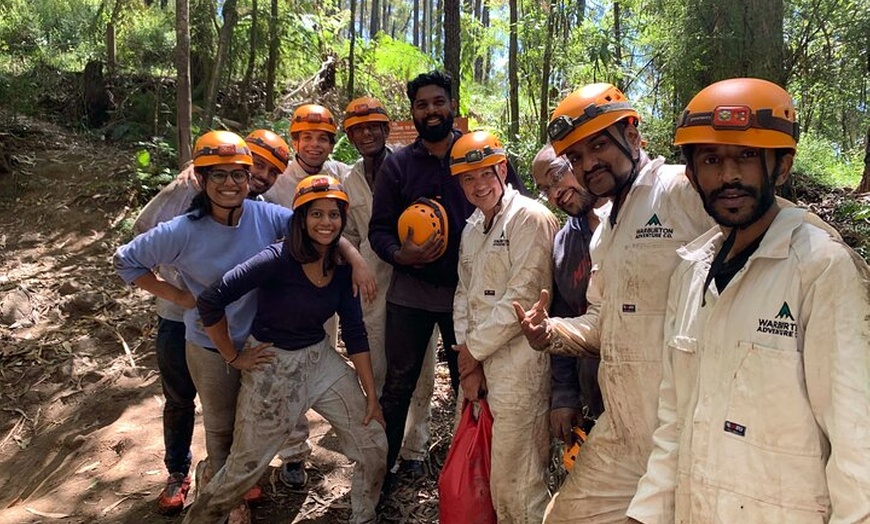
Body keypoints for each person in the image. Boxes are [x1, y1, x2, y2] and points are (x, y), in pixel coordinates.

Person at [626, 78, 870, 523]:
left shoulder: (821, 270)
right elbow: (674, 422)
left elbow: (858, 444)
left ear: (781, 166)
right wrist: (645, 514)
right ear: (691, 173)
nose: (729, 176)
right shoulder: (691, 274)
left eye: (747, 157)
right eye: (712, 159)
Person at [512, 83, 714, 523]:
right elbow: (606, 321)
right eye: (577, 157)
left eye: (599, 145)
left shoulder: (680, 189)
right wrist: (552, 333)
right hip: (622, 427)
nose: (589, 164)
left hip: (685, 432)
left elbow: (759, 227)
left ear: (633, 134)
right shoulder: (606, 229)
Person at [182, 175, 388, 524]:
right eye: (316, 214)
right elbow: (211, 300)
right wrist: (233, 355)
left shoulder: (340, 268)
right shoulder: (277, 258)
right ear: (302, 218)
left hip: (319, 358)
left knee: (373, 443)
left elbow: (354, 332)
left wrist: (370, 394)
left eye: (334, 215)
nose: (326, 223)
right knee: (243, 472)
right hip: (272, 363)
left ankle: (363, 515)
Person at [116, 130, 293, 522]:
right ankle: (209, 489)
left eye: (239, 174)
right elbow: (128, 258)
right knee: (205, 416)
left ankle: (230, 479)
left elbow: (312, 229)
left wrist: (355, 259)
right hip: (199, 337)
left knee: (248, 417)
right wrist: (177, 295)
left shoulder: (265, 215)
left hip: (252, 337)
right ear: (201, 178)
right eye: (219, 175)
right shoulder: (183, 225)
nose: (231, 183)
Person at [369, 70, 528, 481]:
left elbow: (516, 205)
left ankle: (474, 475)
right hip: (411, 293)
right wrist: (400, 254)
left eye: (438, 101)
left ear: (452, 105)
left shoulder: (480, 153)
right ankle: (379, 473)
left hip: (474, 295)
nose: (431, 110)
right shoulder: (399, 166)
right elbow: (378, 230)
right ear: (413, 112)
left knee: (471, 383)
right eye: (422, 105)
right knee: (398, 386)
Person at [451, 131, 558, 521]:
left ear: (501, 168)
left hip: (520, 367)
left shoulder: (529, 217)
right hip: (479, 363)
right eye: (468, 178)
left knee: (519, 481)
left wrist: (471, 354)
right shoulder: (472, 226)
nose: (478, 185)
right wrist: (469, 358)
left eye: (485, 174)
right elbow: (463, 293)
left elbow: (525, 295)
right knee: (488, 476)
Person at [342, 96, 436, 478]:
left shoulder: (409, 166)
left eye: (373, 127)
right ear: (350, 136)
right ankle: (384, 448)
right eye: (358, 129)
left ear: (385, 129)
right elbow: (344, 233)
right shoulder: (348, 178)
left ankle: (415, 445)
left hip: (417, 281)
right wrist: (357, 260)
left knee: (422, 369)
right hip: (372, 286)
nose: (367, 134)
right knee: (378, 369)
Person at [530, 144, 605, 449]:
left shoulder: (633, 218)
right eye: (545, 189)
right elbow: (562, 318)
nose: (555, 194)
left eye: (557, 177)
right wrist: (563, 396)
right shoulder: (564, 244)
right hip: (596, 391)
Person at [263, 103, 349, 208]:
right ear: (295, 143)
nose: (314, 144)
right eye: (307, 137)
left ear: (331, 146)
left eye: (322, 139)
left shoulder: (342, 175)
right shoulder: (277, 179)